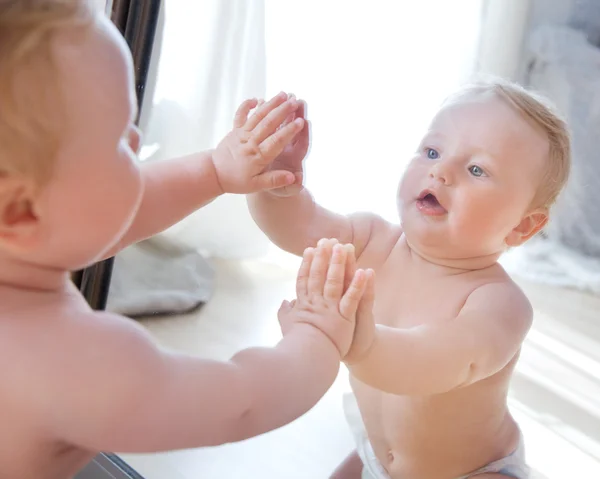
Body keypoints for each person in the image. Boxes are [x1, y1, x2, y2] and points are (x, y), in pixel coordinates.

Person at [0, 2, 373, 478]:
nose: (138, 142)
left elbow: (121, 210)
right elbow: (241, 403)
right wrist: (318, 338)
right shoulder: (72, 362)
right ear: (20, 210)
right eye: (119, 140)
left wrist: (213, 171)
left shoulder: (20, 244)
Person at [248, 77, 571, 478]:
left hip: (474, 471)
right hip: (379, 459)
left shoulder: (498, 303)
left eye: (476, 169)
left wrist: (357, 342)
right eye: (432, 151)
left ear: (522, 227)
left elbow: (434, 361)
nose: (441, 171)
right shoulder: (370, 239)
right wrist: (276, 183)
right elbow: (298, 227)